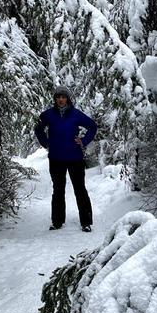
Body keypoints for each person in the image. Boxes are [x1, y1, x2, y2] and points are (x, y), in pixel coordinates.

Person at [34, 85, 98, 232]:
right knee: (58, 190)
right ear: (55, 99)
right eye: (58, 97)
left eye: (63, 97)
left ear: (67, 99)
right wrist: (46, 143)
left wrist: (84, 140)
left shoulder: (76, 114)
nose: (61, 100)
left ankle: (86, 222)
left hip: (75, 157)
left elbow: (92, 126)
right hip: (56, 158)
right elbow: (38, 128)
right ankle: (57, 222)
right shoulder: (48, 115)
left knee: (80, 189)